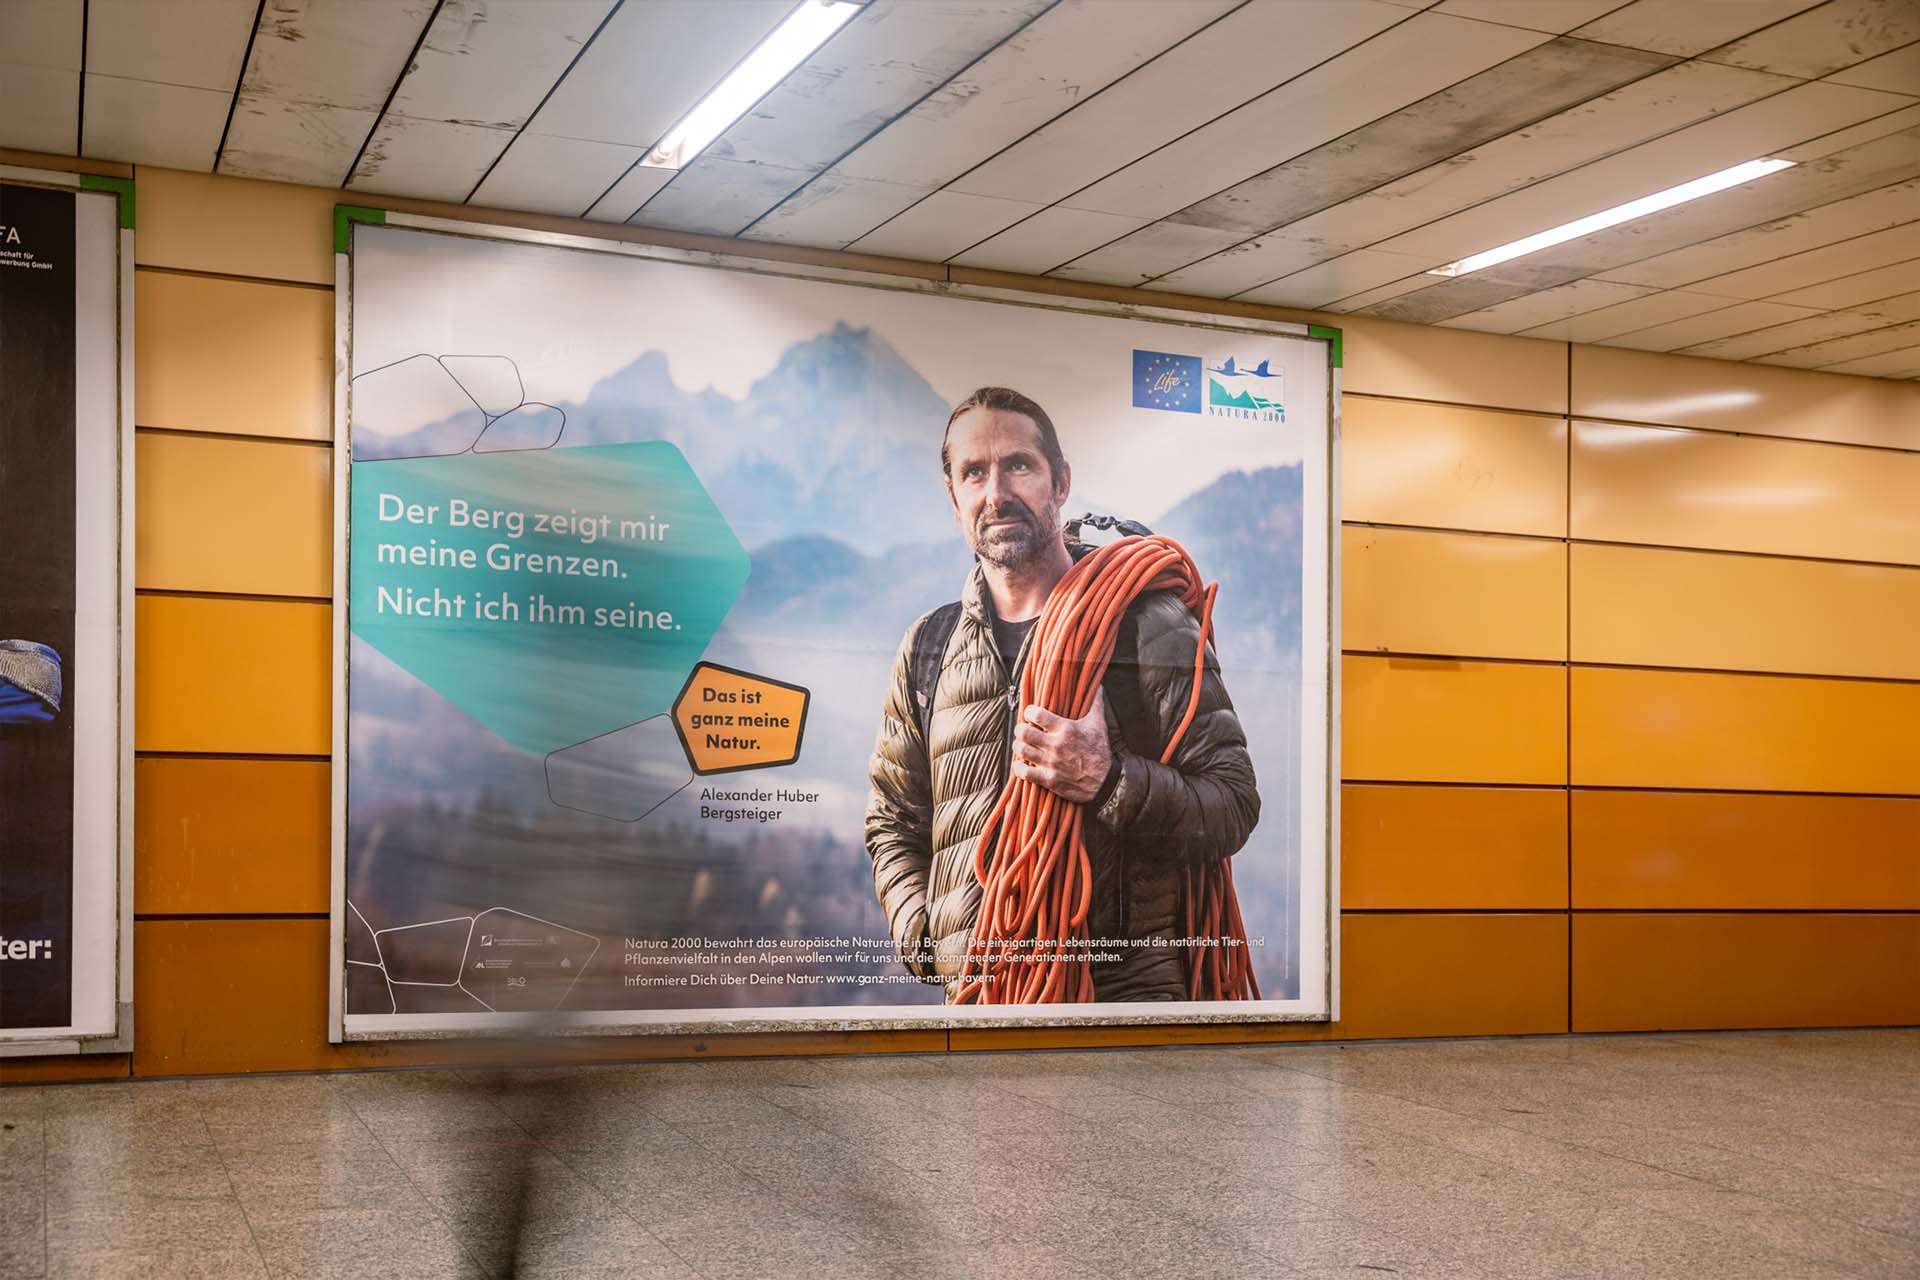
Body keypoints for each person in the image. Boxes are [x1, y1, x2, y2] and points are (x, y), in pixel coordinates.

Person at [865, 386, 1259, 1002]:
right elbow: (892, 818)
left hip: (1127, 1000)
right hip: (981, 1001)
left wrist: (1107, 780)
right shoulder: (929, 648)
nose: (997, 494)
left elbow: (1233, 803)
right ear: (954, 497)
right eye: (974, 473)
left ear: (1061, 482)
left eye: (1019, 465)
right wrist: (929, 938)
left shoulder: (1145, 624)